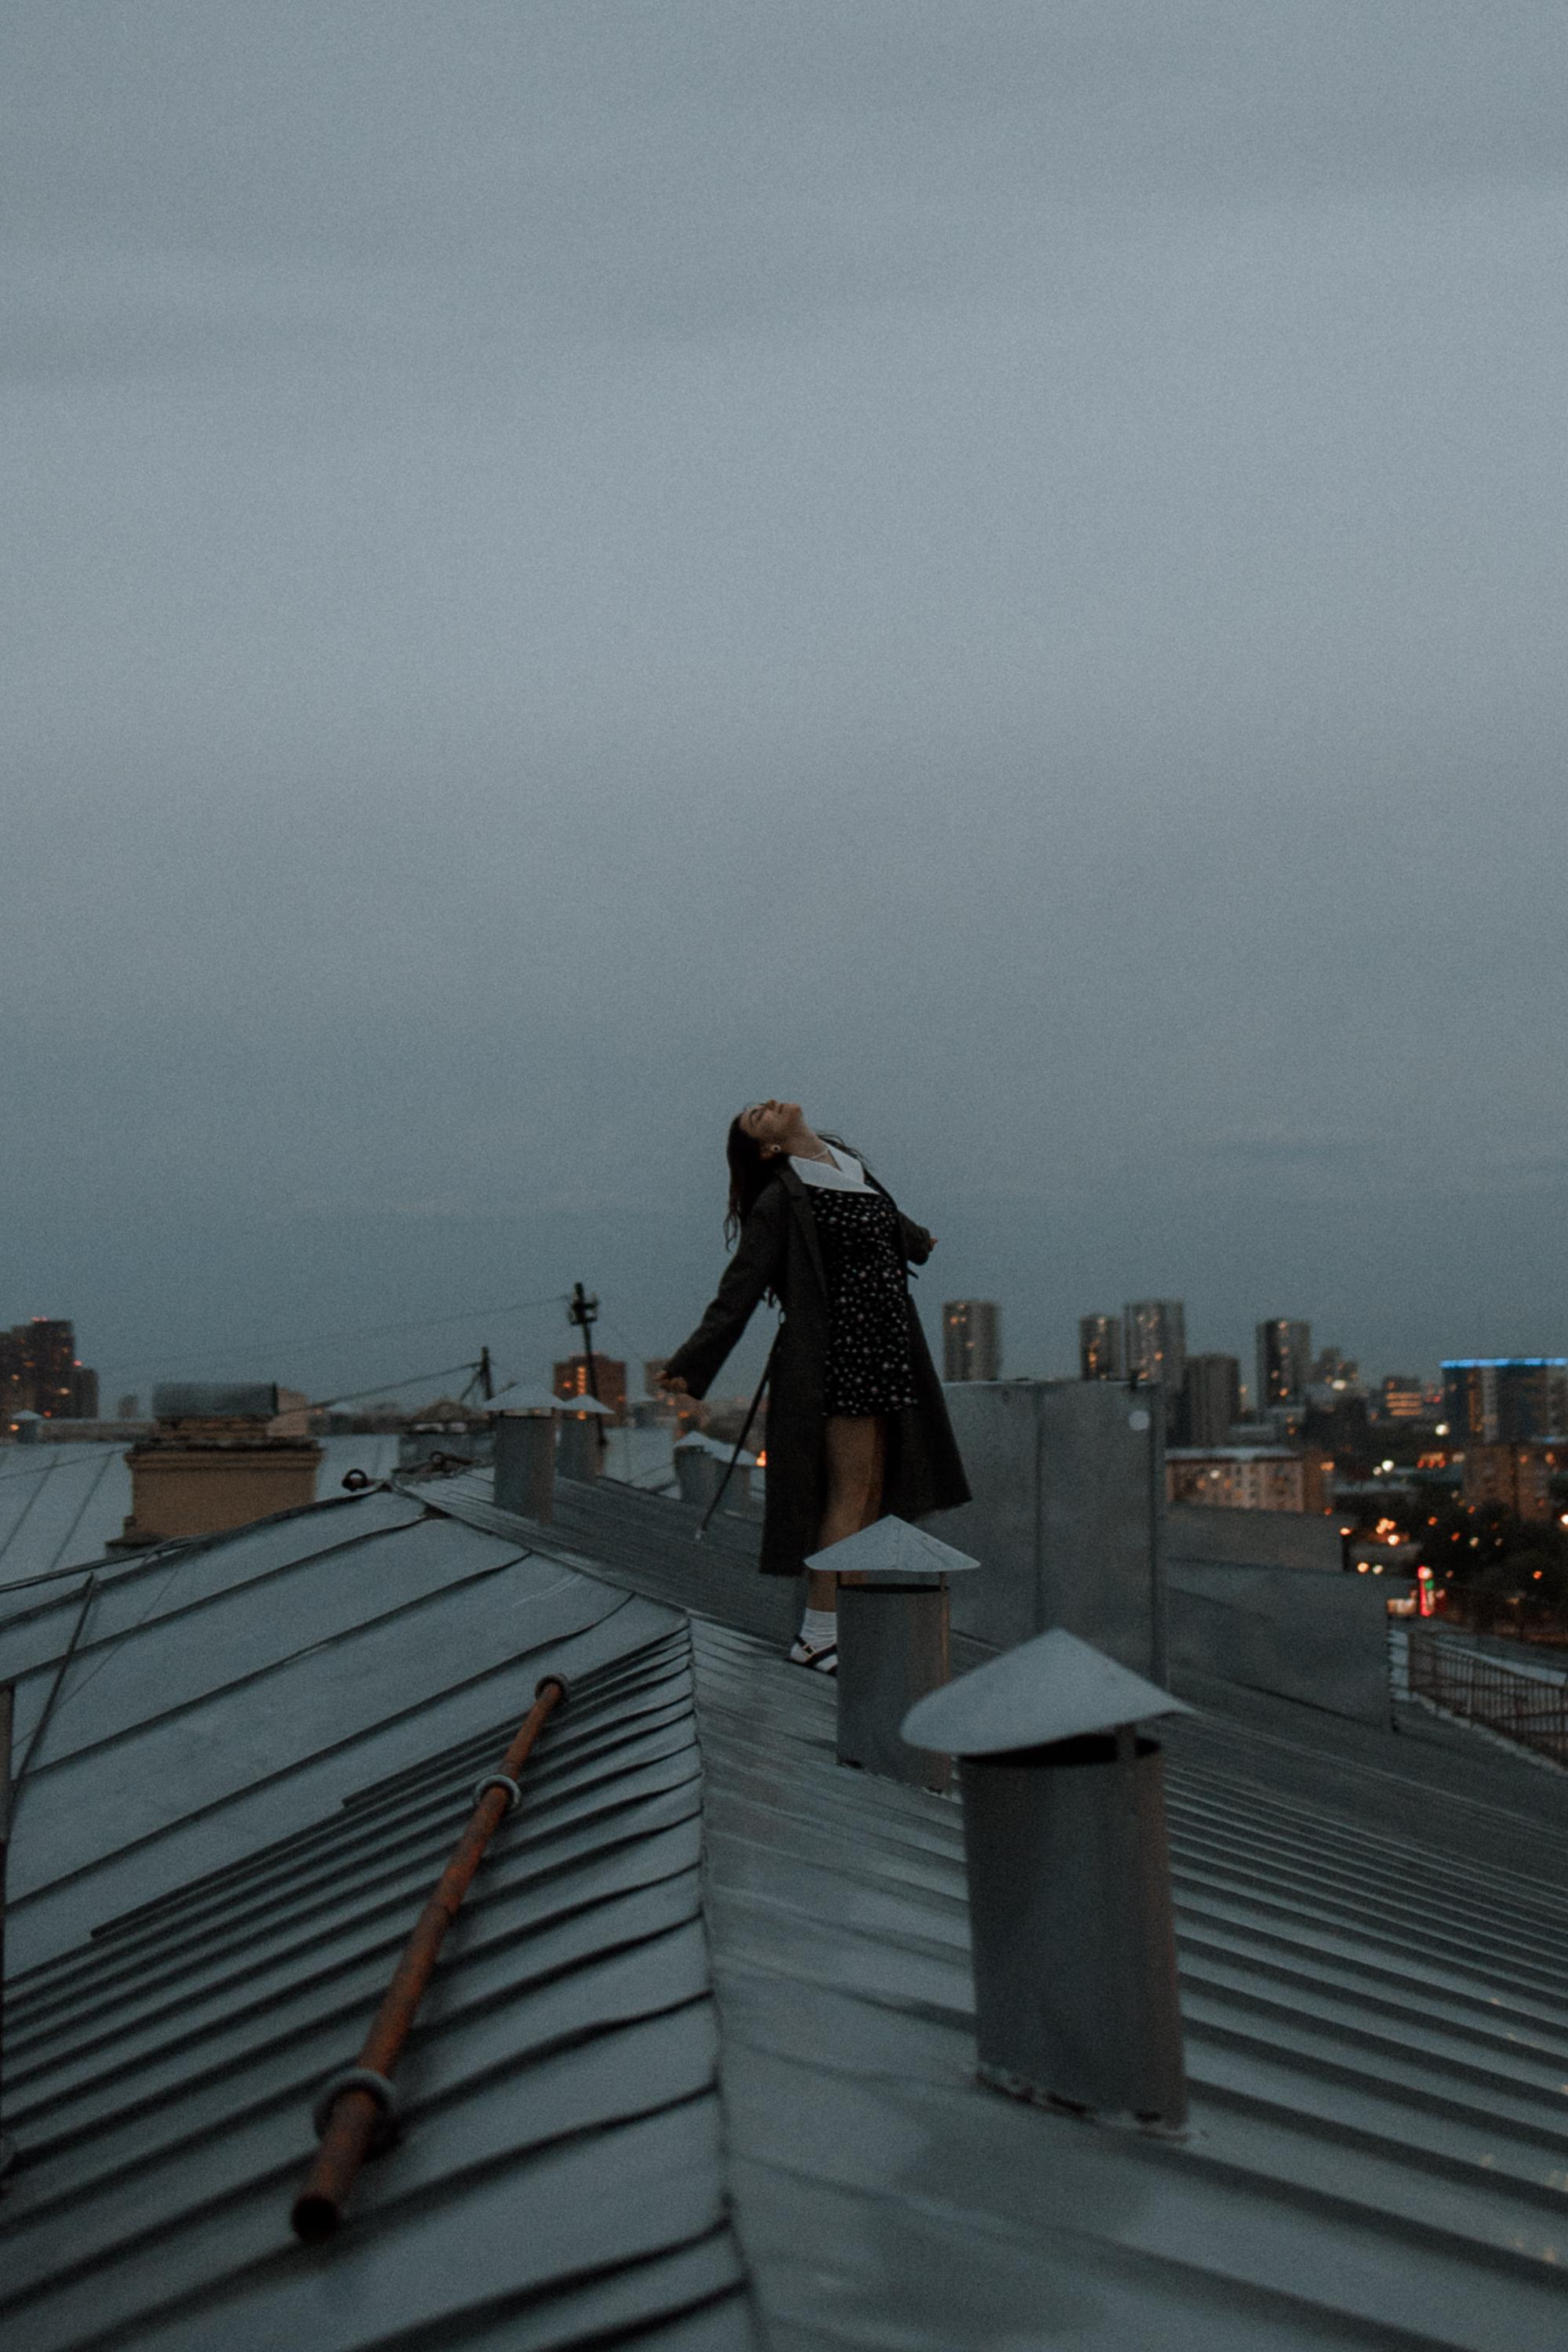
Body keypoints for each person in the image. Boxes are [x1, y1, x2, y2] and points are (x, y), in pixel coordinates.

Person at [659, 1098, 971, 1671]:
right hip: (839, 1353)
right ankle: (816, 1632)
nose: (765, 1108)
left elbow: (889, 1227)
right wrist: (692, 1365)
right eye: (756, 1120)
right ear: (769, 1148)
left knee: (875, 1493)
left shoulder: (846, 1166)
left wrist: (919, 1240)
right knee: (848, 1493)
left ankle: (845, 1620)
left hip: (887, 1348)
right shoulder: (782, 1199)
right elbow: (741, 1288)